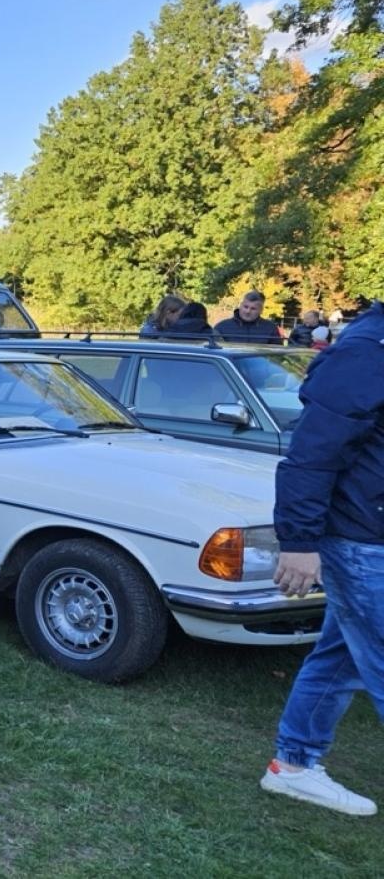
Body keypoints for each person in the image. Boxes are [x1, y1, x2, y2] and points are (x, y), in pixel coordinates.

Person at [260, 299, 384, 816]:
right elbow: (312, 452)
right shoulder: (367, 352)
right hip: (360, 539)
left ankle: (293, 766)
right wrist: (300, 542)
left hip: (371, 534)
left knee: (340, 658)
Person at [215, 290, 283, 344]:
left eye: (253, 309)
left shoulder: (271, 329)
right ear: (240, 306)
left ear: (261, 310)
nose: (248, 311)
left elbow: (278, 356)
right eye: (245, 307)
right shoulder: (222, 327)